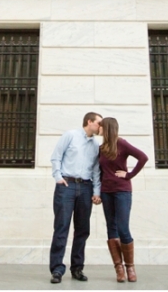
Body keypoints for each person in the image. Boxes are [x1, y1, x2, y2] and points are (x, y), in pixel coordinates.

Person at [48, 112, 102, 284]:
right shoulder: (70, 135)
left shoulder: (95, 144)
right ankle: (57, 269)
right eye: (99, 123)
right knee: (61, 227)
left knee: (82, 230)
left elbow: (95, 170)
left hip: (86, 187)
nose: (101, 127)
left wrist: (96, 191)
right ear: (89, 121)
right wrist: (58, 177)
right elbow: (56, 156)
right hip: (67, 186)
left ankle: (77, 268)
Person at [98, 116, 148, 283]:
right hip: (106, 191)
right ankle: (118, 268)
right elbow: (99, 172)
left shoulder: (122, 144)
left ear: (107, 128)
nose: (98, 128)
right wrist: (97, 192)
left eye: (101, 126)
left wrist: (129, 175)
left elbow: (143, 157)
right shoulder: (101, 148)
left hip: (122, 191)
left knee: (123, 228)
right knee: (111, 228)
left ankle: (130, 267)